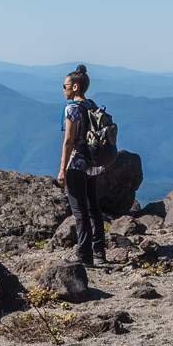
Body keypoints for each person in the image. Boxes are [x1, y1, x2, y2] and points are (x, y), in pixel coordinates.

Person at [57, 64, 105, 267]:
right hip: (93, 165)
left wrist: (62, 170)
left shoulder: (73, 109)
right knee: (94, 209)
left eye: (65, 86)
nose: (64, 89)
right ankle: (99, 253)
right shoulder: (92, 105)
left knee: (80, 213)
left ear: (75, 87)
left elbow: (69, 141)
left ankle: (84, 256)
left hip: (76, 165)